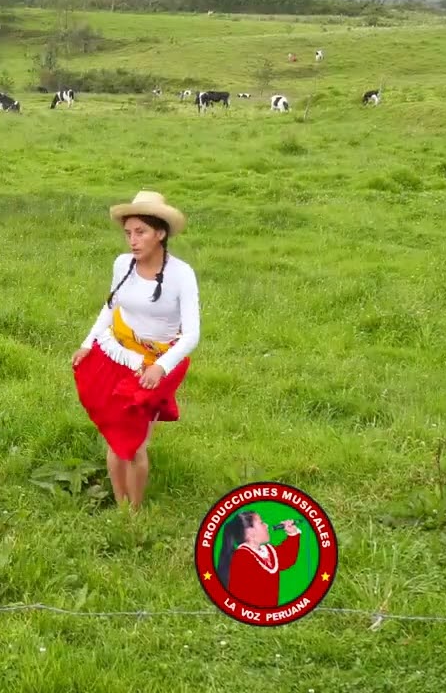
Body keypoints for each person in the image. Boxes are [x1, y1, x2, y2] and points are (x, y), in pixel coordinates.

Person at [71, 190, 200, 512]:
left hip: (156, 365)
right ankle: (120, 504)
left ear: (160, 234)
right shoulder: (122, 264)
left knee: (136, 442)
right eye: (128, 233)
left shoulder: (180, 274)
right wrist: (88, 344)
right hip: (117, 354)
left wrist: (161, 367)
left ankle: (135, 510)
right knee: (115, 437)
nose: (133, 240)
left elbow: (192, 333)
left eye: (140, 232)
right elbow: (110, 305)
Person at [216, 511, 303, 608]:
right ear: (250, 532)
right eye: (261, 523)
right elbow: (239, 595)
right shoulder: (242, 557)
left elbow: (287, 558)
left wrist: (293, 534)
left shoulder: (267, 551)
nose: (266, 525)